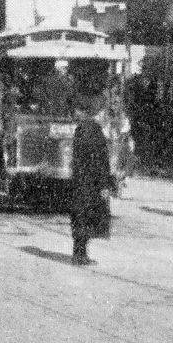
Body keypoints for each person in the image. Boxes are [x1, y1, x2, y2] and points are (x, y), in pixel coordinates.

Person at [69, 98, 113, 264]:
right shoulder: (93, 130)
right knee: (86, 218)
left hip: (81, 181)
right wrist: (104, 184)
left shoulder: (82, 129)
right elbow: (100, 161)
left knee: (80, 217)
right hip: (91, 183)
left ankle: (79, 254)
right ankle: (81, 256)